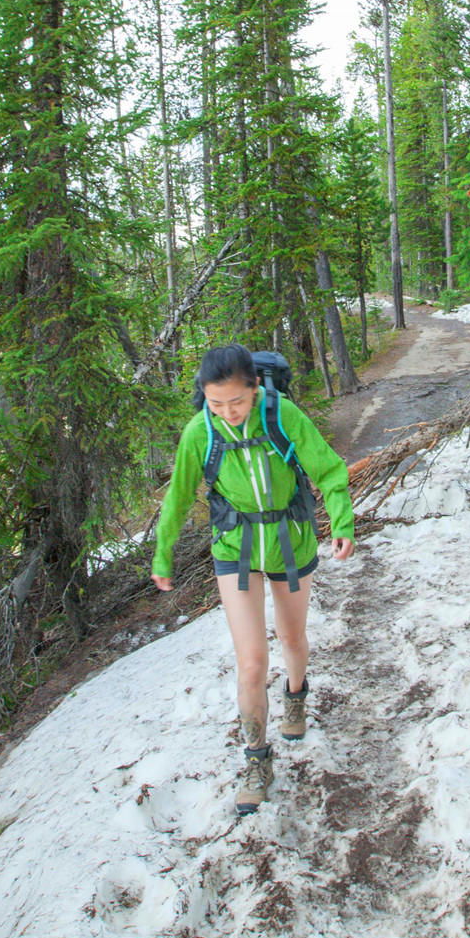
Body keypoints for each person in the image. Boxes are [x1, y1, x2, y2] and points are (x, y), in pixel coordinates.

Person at [152, 343, 356, 815]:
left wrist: (342, 523)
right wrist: (162, 554)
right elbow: (179, 497)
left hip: (291, 541)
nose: (227, 413)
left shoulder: (281, 414)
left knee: (293, 639)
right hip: (235, 550)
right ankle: (256, 760)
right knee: (250, 663)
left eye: (236, 402)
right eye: (215, 403)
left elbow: (327, 469)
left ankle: (297, 698)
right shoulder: (199, 433)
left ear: (255, 389)